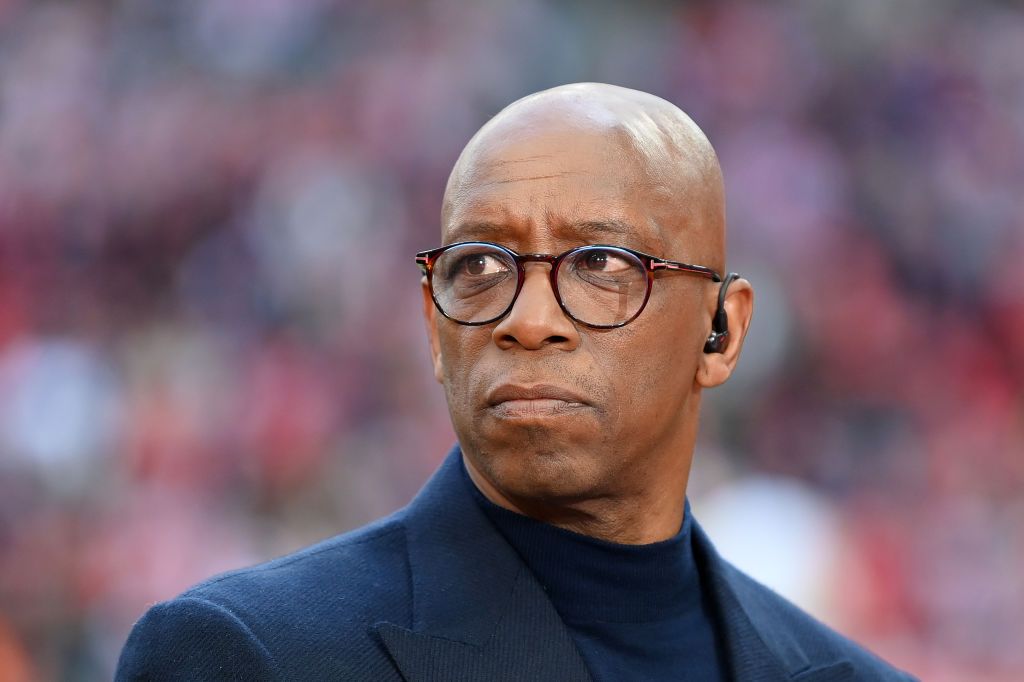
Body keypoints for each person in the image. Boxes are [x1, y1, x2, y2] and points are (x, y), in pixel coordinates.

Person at [116, 83, 916, 681]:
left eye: (602, 263)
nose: (528, 320)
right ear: (435, 330)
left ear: (721, 331)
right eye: (480, 266)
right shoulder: (249, 656)